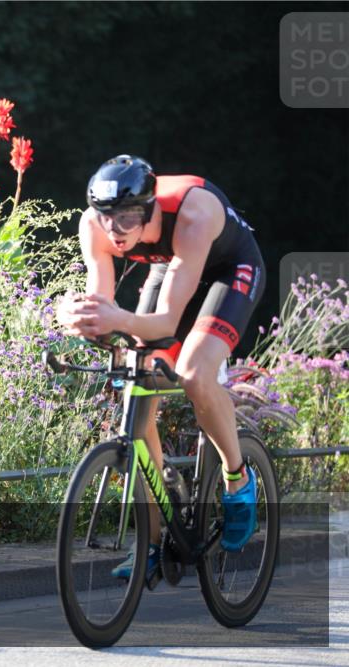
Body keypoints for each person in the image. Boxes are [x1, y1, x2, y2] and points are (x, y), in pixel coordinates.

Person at [56, 155, 265, 584]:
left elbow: (167, 322)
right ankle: (151, 541)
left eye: (128, 217)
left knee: (193, 372)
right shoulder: (93, 225)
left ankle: (237, 478)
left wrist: (117, 320)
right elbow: (104, 306)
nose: (116, 230)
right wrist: (79, 318)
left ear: (150, 208)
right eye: (107, 217)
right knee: (137, 393)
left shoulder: (193, 212)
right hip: (172, 267)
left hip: (229, 270)